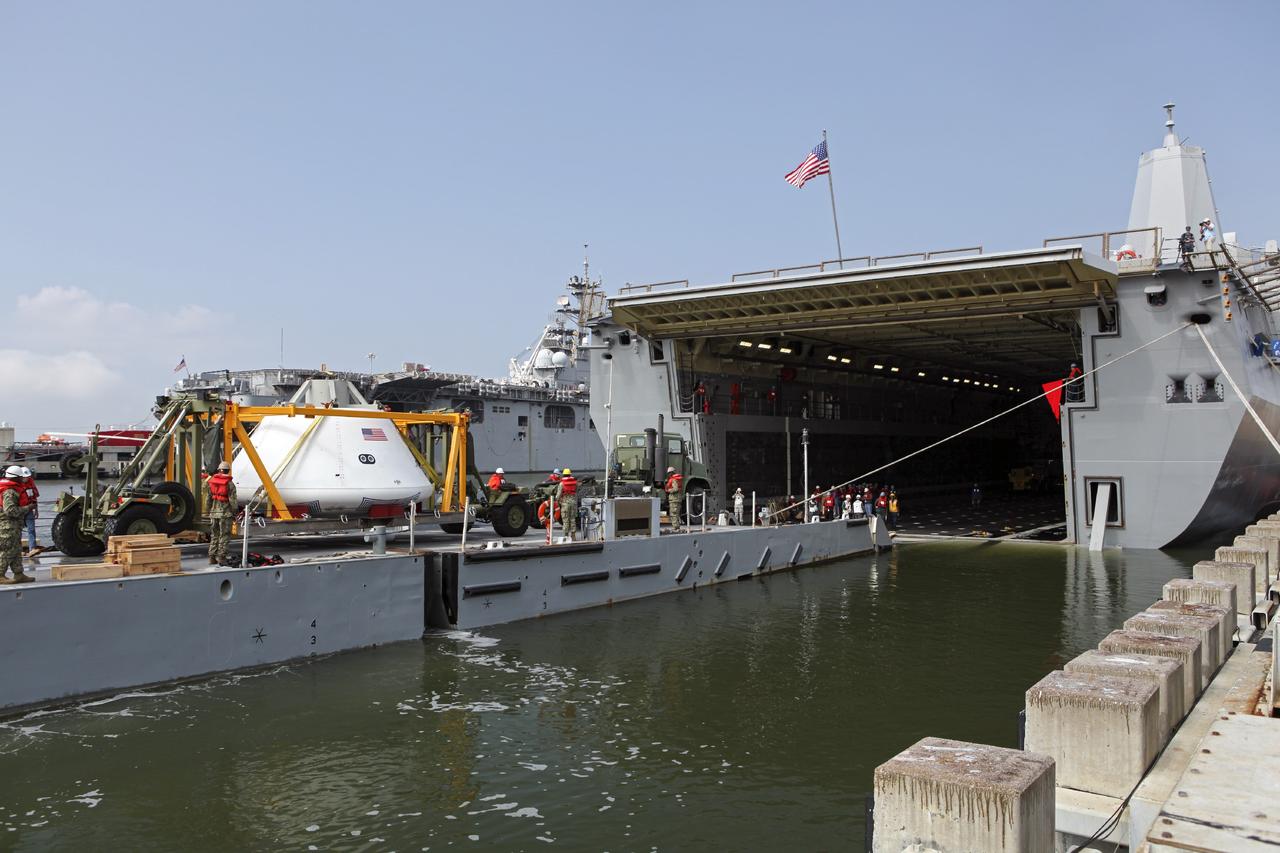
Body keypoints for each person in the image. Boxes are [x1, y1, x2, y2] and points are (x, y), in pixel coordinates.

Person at [0, 466, 33, 583]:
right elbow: (10, 511)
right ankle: (0, 575)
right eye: (21, 477)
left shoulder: (12, 489)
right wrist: (27, 508)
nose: (23, 480)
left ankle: (18, 574)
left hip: (14, 526)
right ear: (16, 478)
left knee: (16, 549)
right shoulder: (9, 492)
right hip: (7, 526)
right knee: (7, 550)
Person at [202, 461, 237, 566]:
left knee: (214, 535)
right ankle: (221, 557)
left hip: (214, 513)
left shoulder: (212, 482)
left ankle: (212, 557)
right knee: (224, 535)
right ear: (228, 471)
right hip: (225, 514)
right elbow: (233, 501)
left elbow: (208, 499)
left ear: (219, 470)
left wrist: (208, 511)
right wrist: (235, 512)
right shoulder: (230, 484)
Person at [19, 467, 40, 555]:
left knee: (31, 530)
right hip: (19, 511)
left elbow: (34, 497)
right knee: (18, 531)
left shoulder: (30, 483)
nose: (26, 478)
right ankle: (18, 550)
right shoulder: (15, 485)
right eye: (24, 477)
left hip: (29, 509)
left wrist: (36, 509)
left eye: (27, 477)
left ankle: (32, 549)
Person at [556, 467, 578, 541]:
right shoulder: (575, 483)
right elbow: (576, 491)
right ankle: (573, 536)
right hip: (573, 503)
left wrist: (557, 501)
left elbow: (558, 495)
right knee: (572, 519)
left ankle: (566, 536)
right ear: (570, 474)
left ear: (563, 475)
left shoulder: (561, 484)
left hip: (565, 504)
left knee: (565, 519)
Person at [664, 466, 684, 532]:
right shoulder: (677, 479)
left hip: (674, 499)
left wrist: (669, 490)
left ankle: (676, 527)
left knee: (673, 513)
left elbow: (675, 489)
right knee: (676, 513)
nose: (668, 475)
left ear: (671, 473)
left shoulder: (674, 480)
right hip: (677, 498)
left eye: (669, 473)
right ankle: (676, 526)